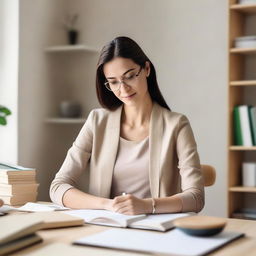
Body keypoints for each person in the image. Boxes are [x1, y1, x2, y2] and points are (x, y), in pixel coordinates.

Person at [50, 36, 204, 215]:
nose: (123, 89)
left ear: (146, 69)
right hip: (106, 227)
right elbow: (58, 186)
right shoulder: (97, 121)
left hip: (157, 232)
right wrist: (107, 205)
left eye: (129, 76)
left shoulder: (176, 125)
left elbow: (196, 198)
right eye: (113, 82)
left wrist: (147, 205)